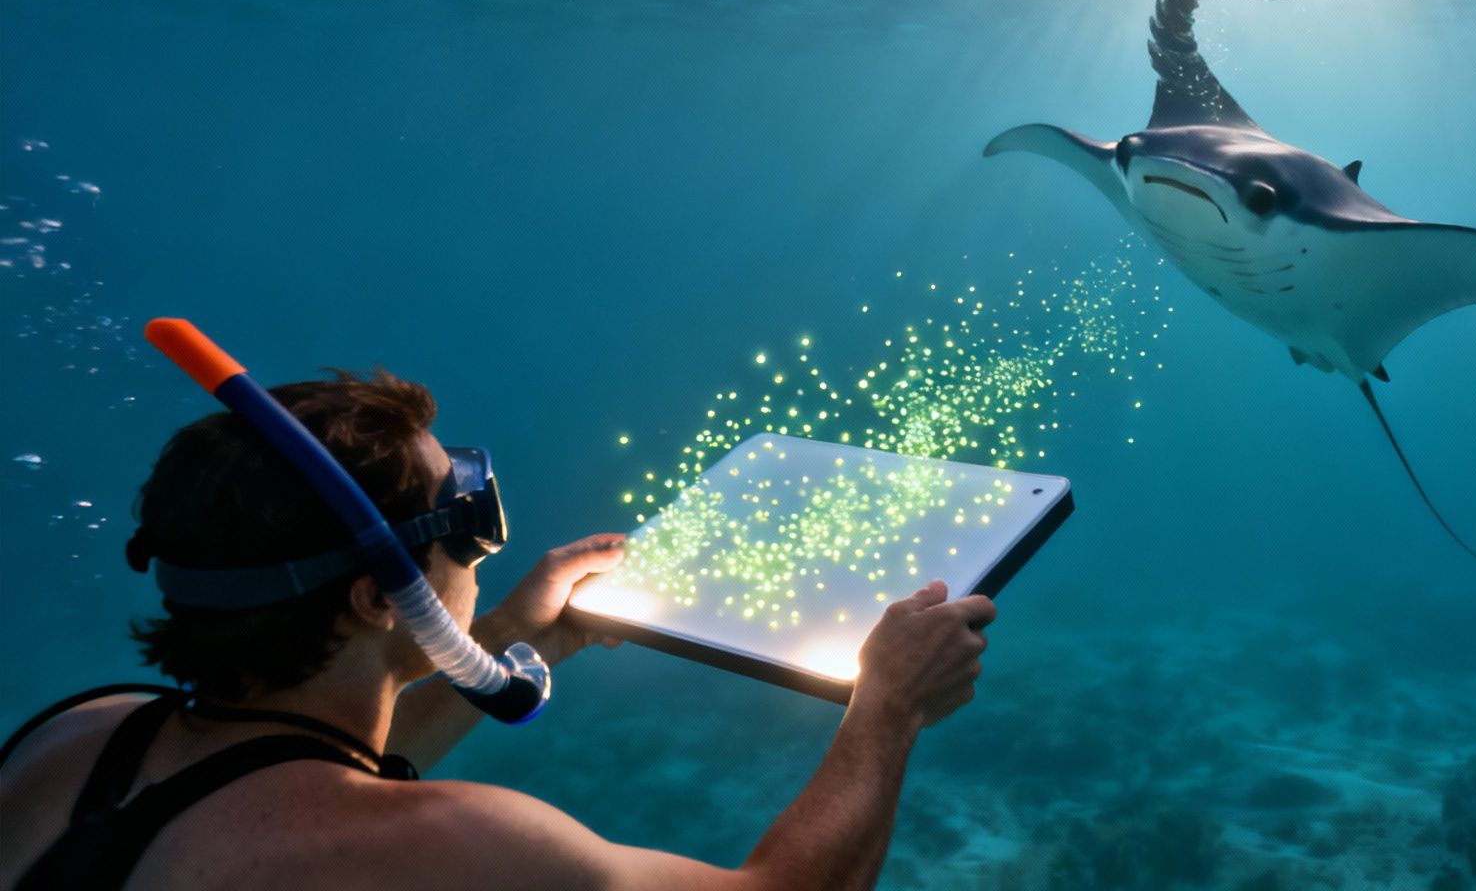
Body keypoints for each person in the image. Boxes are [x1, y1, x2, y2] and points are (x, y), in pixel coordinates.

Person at [0, 369, 995, 890]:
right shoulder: (459, 845)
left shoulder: (79, 736)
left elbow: (278, 787)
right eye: (466, 521)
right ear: (377, 600)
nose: (482, 550)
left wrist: (520, 636)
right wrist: (887, 708)